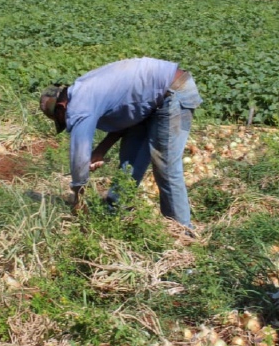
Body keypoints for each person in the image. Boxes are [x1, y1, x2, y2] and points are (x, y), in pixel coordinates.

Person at [39, 57, 202, 230]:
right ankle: (114, 213)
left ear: (62, 108)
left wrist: (79, 195)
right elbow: (125, 116)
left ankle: (182, 231)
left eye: (62, 119)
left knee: (166, 166)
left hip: (173, 92)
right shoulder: (85, 90)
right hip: (154, 99)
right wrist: (101, 150)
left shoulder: (78, 106)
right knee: (130, 159)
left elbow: (79, 154)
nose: (68, 122)